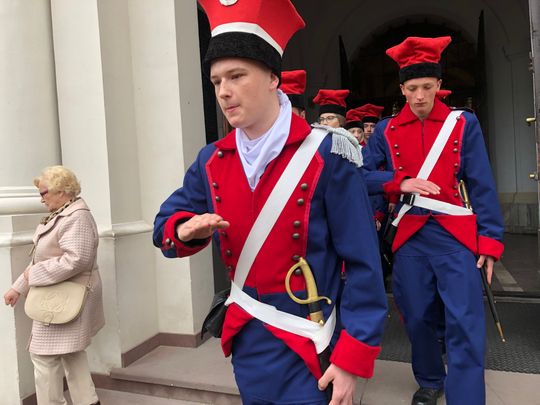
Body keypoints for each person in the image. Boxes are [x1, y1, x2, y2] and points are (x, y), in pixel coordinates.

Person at [153, 1, 387, 404]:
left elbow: (364, 265)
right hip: (248, 345)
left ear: (272, 78)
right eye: (216, 81)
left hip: (311, 348)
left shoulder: (327, 154)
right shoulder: (213, 160)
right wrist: (184, 229)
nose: (224, 91)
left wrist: (352, 359)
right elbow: (165, 227)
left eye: (236, 76)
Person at [363, 36, 504, 405]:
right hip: (409, 237)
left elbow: (482, 183)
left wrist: (490, 241)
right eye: (412, 88)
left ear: (439, 84)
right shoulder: (386, 130)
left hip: (456, 237)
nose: (420, 96)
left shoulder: (463, 123)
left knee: (465, 322)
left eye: (427, 86)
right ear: (402, 89)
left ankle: (467, 397)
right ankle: (429, 379)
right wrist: (398, 182)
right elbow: (359, 177)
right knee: (417, 318)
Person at [3, 166, 104, 405]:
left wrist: (31, 277)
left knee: (43, 356)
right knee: (71, 353)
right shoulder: (65, 213)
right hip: (62, 295)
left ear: (61, 191)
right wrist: (19, 287)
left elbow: (77, 259)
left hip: (67, 296)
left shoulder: (76, 217)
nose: (41, 199)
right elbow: (40, 259)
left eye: (43, 193)